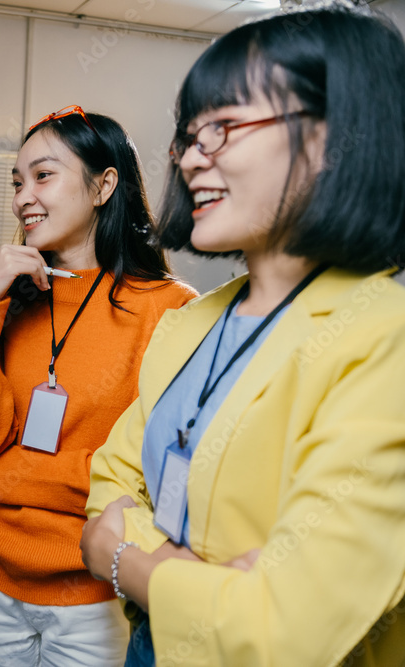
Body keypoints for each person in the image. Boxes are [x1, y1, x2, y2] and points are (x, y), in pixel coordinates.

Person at [81, 4, 405, 665]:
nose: (191, 160)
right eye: (189, 136)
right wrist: (184, 569)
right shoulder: (192, 320)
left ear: (334, 137)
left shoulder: (383, 337)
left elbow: (284, 627)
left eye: (223, 128)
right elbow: (110, 479)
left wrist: (127, 560)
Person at [0, 106, 197, 666]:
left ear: (104, 185)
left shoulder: (171, 312)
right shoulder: (12, 296)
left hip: (93, 590)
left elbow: (154, 479)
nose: (22, 197)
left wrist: (10, 474)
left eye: (43, 175)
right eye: (17, 181)